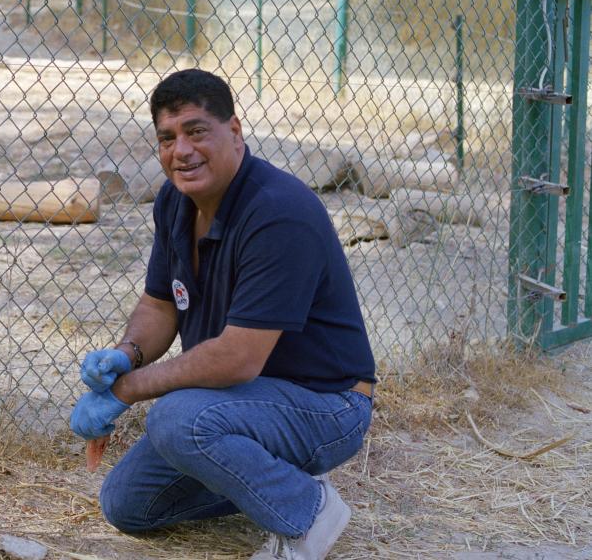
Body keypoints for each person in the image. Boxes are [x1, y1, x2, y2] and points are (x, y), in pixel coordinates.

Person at [70, 69, 376, 560]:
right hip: (238, 405)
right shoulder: (176, 200)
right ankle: (271, 472)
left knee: (176, 419)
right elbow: (159, 303)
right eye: (167, 138)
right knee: (128, 505)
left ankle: (308, 512)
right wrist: (127, 355)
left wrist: (127, 392)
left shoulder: (278, 212)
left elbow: (237, 359)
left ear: (234, 132)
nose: (181, 151)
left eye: (196, 131)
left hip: (327, 404)